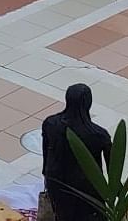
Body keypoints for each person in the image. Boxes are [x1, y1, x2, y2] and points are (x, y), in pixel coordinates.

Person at [40, 84, 112, 221]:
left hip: (57, 185)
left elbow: (46, 157)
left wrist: (47, 178)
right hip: (89, 191)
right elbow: (112, 170)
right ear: (88, 103)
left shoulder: (50, 124)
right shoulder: (99, 135)